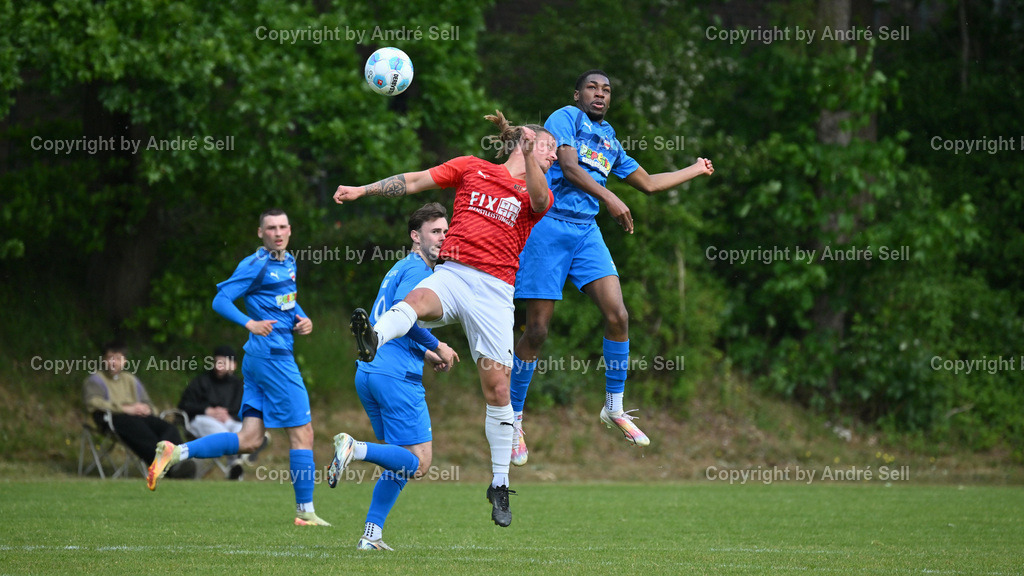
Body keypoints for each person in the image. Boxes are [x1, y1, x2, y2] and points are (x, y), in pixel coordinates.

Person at [332, 110, 558, 528]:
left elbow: (542, 202)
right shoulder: (472, 168)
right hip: (454, 274)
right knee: (418, 299)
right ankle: (373, 338)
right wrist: (362, 189)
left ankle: (499, 484)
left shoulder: (536, 190)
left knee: (498, 389)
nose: (554, 155)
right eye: (549, 147)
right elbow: (416, 180)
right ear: (524, 140)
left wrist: (532, 157)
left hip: (495, 291)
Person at [509, 70, 715, 465]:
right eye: (592, 87)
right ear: (577, 94)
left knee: (618, 315)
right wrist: (610, 198)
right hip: (548, 226)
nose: (599, 93)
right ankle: (512, 419)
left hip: (586, 233)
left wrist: (695, 168)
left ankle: (613, 407)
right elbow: (569, 166)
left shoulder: (610, 141)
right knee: (536, 330)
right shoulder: (565, 117)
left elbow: (649, 183)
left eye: (606, 89)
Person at [147, 208, 331, 527]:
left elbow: (286, 299)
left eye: (282, 227)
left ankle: (175, 453)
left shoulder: (288, 261)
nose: (278, 233)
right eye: (271, 228)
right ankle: (305, 512)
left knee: (249, 439)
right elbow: (220, 300)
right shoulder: (256, 264)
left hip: (259, 360)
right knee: (304, 433)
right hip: (274, 359)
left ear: (290, 230)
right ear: (260, 232)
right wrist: (250, 323)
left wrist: (302, 318)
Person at [327, 202, 454, 551]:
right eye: (434, 231)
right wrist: (438, 345)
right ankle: (355, 448)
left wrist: (425, 353)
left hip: (370, 372)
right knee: (419, 462)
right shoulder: (419, 272)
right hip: (395, 376)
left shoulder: (399, 267)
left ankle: (372, 535)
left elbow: (390, 322)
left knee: (398, 460)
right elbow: (405, 315)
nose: (442, 237)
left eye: (445, 231)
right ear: (415, 236)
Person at [83, 341, 192, 477]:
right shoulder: (96, 380)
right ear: (103, 359)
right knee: (143, 432)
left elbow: (147, 402)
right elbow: (93, 402)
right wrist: (124, 408)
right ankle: (168, 469)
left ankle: (178, 463)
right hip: (112, 419)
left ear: (125, 361)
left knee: (169, 429)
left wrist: (148, 409)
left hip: (139, 416)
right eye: (110, 358)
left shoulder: (130, 380)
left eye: (118, 358)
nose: (114, 362)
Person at [177, 345, 261, 480]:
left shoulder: (239, 385)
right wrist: (207, 410)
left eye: (223, 363)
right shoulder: (201, 381)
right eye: (217, 362)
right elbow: (184, 405)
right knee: (227, 435)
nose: (218, 366)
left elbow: (242, 409)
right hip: (201, 420)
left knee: (242, 429)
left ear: (233, 365)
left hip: (229, 422)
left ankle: (236, 466)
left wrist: (227, 415)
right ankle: (238, 461)